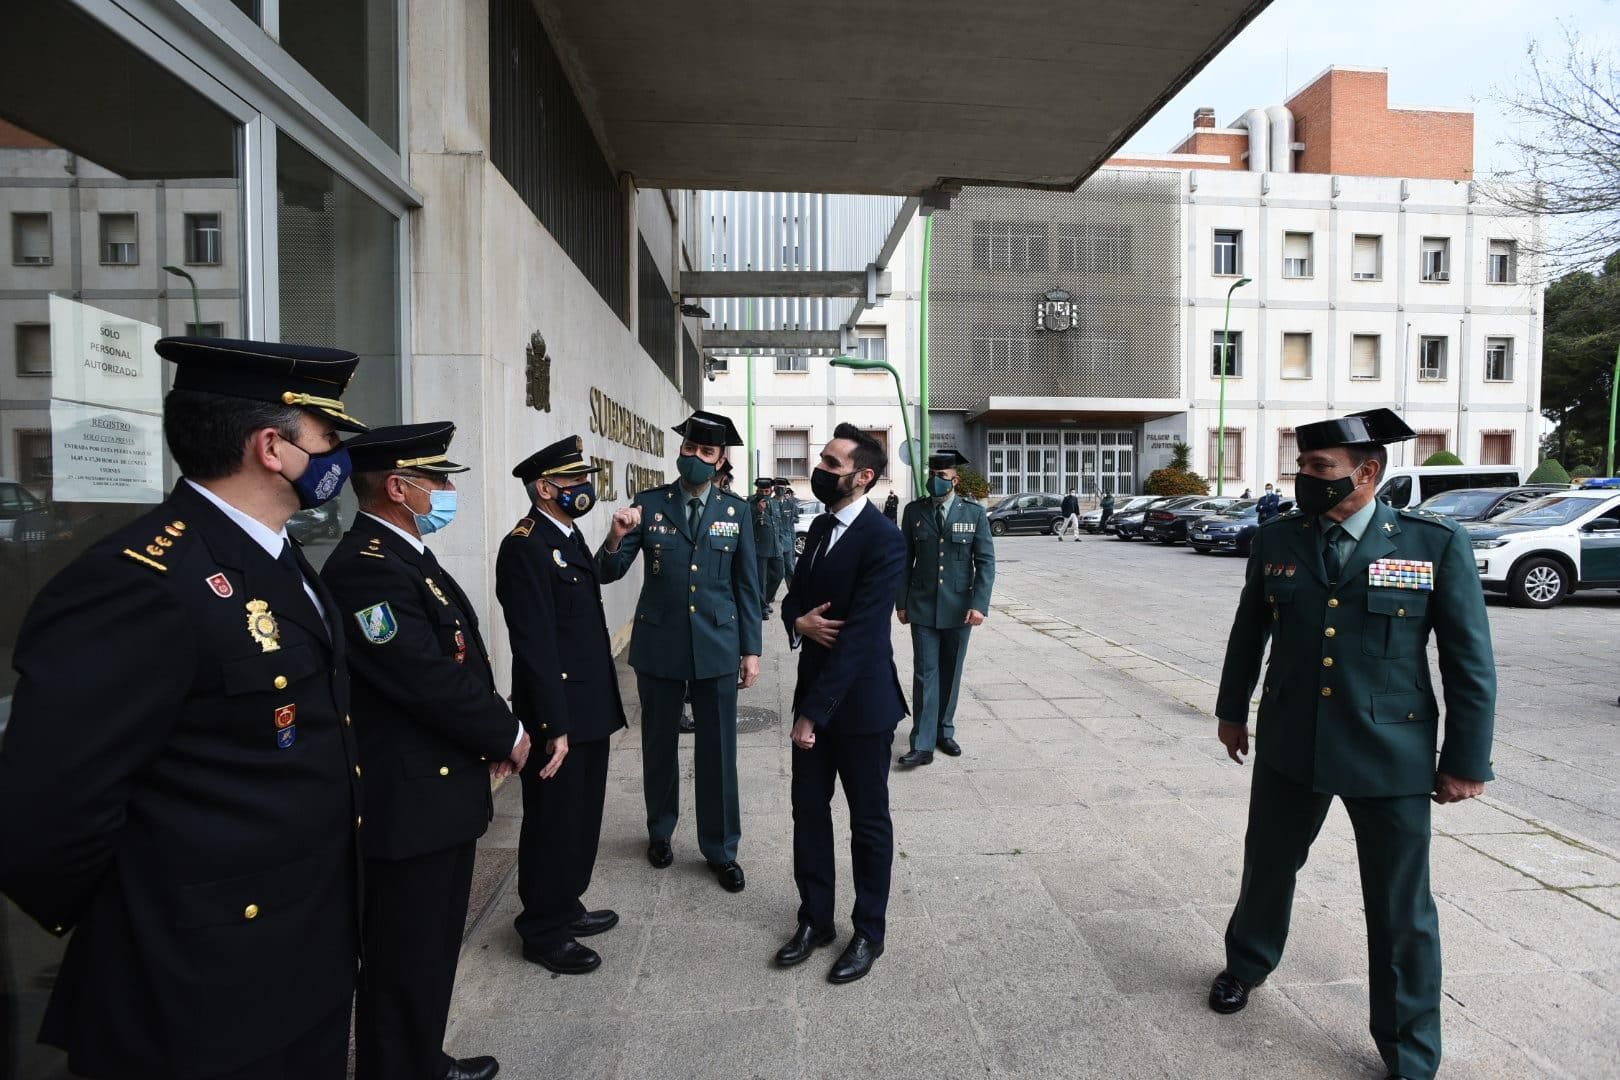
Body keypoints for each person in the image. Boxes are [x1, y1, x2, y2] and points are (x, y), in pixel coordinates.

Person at [0, 336, 367, 1080]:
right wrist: (154, 919)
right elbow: (43, 818)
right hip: (196, 989)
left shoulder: (277, 556)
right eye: (329, 437)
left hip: (302, 957)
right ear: (273, 446)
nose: (339, 457)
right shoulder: (142, 581)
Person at [1207, 408, 1497, 1080]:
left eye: (1319, 469)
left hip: (1389, 752)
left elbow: (1469, 662)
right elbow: (1249, 632)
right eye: (1304, 466)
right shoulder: (1277, 539)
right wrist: (1230, 710)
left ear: (1365, 475)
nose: (1304, 478)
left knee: (1401, 909)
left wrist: (1465, 760)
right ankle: (1246, 965)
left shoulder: (1433, 544)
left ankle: (1409, 1049)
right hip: (1290, 742)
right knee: (1267, 867)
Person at [322, 422, 524, 1080]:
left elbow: (458, 659)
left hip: (438, 790)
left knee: (429, 951)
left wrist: (482, 735)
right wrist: (505, 734)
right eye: (436, 480)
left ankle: (418, 1060)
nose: (445, 491)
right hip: (408, 802)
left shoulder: (404, 555)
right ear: (397, 487)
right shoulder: (364, 568)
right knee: (404, 956)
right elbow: (423, 677)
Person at [597, 410, 761, 891]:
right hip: (659, 644)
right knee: (658, 747)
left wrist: (751, 650)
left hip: (717, 644)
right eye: (688, 449)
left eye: (705, 453)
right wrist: (616, 535)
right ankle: (660, 831)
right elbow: (607, 572)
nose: (693, 458)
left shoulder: (736, 511)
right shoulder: (648, 505)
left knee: (718, 752)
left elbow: (746, 586)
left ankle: (721, 848)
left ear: (720, 460)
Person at [775, 424, 907, 984]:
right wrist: (795, 621)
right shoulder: (821, 526)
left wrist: (811, 712)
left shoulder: (883, 539)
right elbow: (797, 602)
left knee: (867, 820)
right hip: (816, 697)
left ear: (863, 476)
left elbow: (859, 638)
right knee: (808, 810)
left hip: (860, 706)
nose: (821, 469)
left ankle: (868, 932)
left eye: (831, 462)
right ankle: (815, 919)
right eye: (822, 460)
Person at [895, 450, 995, 766]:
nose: (935, 481)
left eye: (942, 476)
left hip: (959, 608)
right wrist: (901, 602)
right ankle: (922, 743)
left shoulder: (974, 513)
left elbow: (985, 562)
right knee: (925, 673)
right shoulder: (913, 512)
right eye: (932, 475)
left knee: (951, 672)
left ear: (955, 479)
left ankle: (943, 731)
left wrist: (980, 605)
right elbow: (903, 561)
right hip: (922, 605)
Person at [750, 476, 785, 619]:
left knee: (778, 575)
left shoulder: (775, 503)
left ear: (771, 490)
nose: (764, 493)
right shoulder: (751, 503)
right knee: (760, 580)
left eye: (767, 491)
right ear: (757, 490)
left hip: (776, 547)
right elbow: (747, 524)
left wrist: (781, 542)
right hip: (760, 547)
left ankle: (766, 601)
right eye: (761, 491)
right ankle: (762, 607)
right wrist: (758, 511)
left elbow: (779, 524)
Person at [775, 478, 799, 586]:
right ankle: (769, 596)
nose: (780, 490)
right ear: (774, 488)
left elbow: (795, 518)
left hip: (787, 539)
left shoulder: (790, 504)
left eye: (782, 488)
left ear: (785, 489)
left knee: (789, 567)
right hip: (774, 541)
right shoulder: (770, 503)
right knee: (775, 571)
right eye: (778, 488)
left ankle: (793, 593)